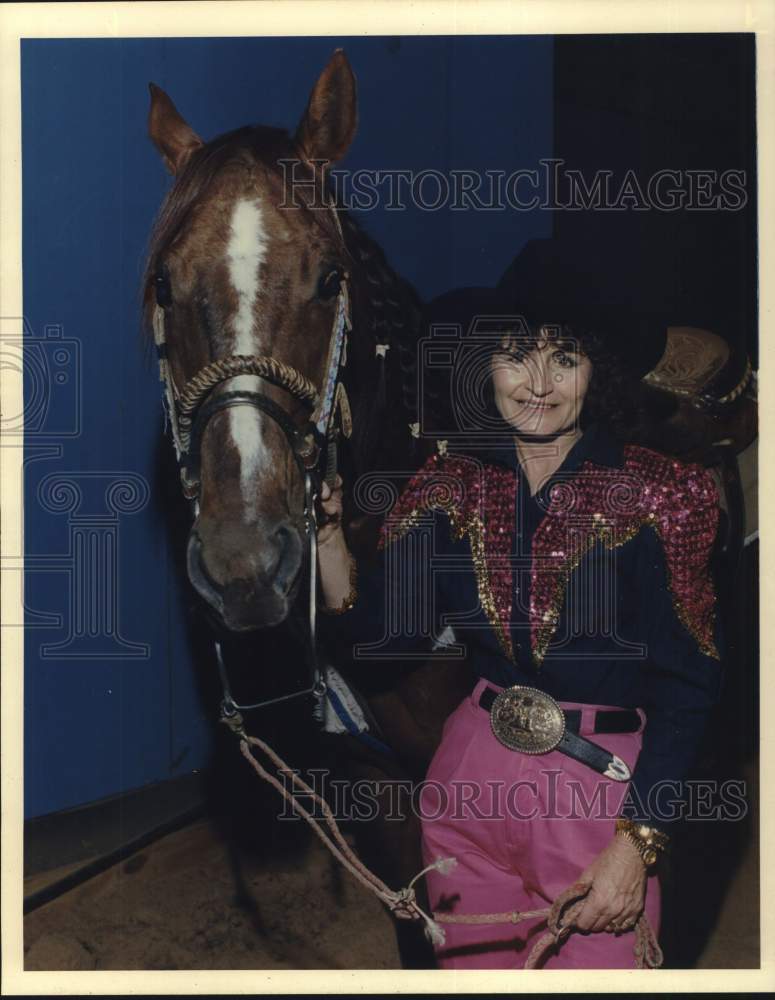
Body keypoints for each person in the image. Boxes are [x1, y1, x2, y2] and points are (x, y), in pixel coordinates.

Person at [314, 286, 724, 969]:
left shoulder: (660, 493)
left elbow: (690, 686)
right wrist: (328, 538)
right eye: (514, 358)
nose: (538, 384)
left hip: (600, 796)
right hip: (467, 778)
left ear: (594, 373)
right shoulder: (448, 485)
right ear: (485, 371)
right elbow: (378, 644)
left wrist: (637, 842)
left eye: (563, 359)